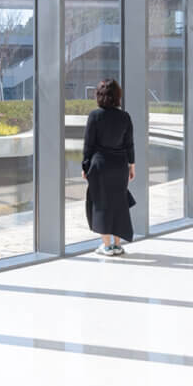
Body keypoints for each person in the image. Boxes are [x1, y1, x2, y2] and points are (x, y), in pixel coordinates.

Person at [82, 77, 135, 256]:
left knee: (101, 203)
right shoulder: (124, 116)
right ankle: (117, 245)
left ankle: (106, 246)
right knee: (119, 203)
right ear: (117, 96)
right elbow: (129, 144)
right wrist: (131, 166)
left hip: (100, 166)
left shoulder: (95, 116)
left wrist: (85, 166)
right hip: (120, 166)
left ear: (99, 95)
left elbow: (88, 145)